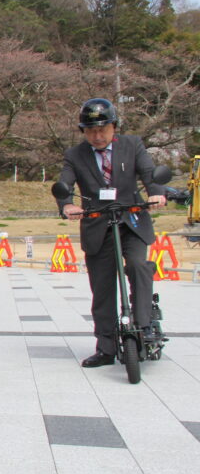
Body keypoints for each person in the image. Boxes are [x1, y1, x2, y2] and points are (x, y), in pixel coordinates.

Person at [55, 98, 166, 368]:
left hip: (132, 220)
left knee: (139, 266)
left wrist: (156, 193)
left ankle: (142, 326)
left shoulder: (133, 145)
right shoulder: (75, 155)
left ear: (114, 126)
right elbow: (65, 183)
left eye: (102, 129)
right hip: (97, 224)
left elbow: (149, 173)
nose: (97, 136)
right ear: (83, 131)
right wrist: (67, 204)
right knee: (102, 288)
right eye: (91, 130)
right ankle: (105, 347)